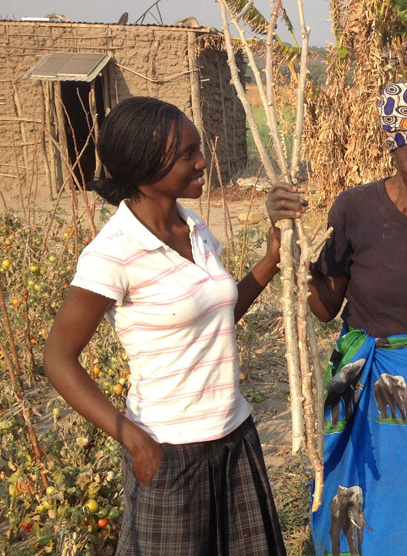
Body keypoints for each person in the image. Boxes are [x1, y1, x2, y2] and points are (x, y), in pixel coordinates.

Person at [43, 97, 286, 555]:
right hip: (168, 451)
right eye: (187, 155)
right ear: (144, 168)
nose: (201, 163)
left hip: (233, 437)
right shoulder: (113, 253)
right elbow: (58, 358)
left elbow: (217, 319)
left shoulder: (194, 228)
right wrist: (135, 442)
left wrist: (270, 263)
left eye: (199, 149)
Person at [267, 82, 407, 556]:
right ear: (394, 150)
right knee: (350, 495)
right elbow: (326, 308)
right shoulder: (355, 209)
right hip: (360, 376)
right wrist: (296, 256)